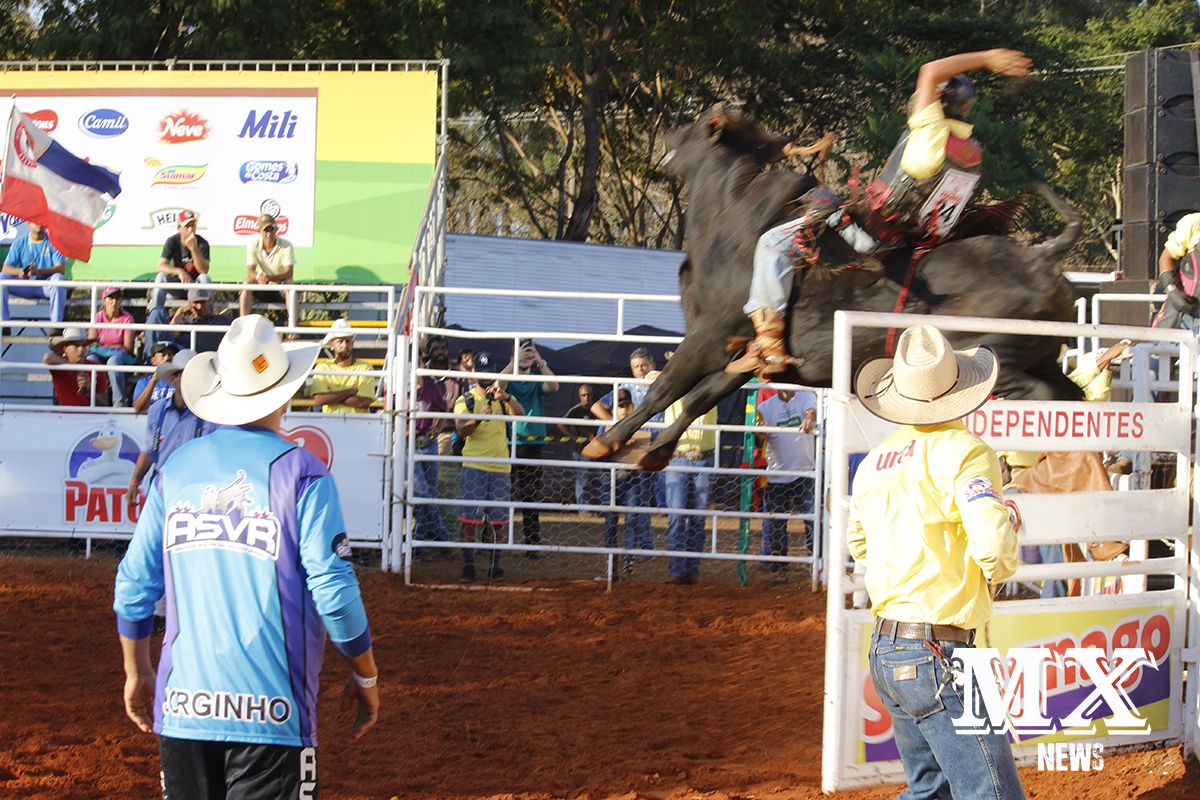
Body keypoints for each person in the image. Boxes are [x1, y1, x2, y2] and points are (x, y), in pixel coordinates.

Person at [113, 314, 380, 799]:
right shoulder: (303, 474)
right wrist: (365, 672)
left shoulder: (176, 470)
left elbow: (134, 584)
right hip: (272, 711)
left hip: (184, 706)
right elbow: (335, 593)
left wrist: (137, 669)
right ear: (283, 393)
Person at [728, 49, 1033, 378]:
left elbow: (930, 70)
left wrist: (987, 58)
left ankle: (768, 343)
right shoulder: (971, 149)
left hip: (869, 235)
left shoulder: (929, 131)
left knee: (774, 242)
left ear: (938, 101)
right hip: (910, 241)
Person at [847, 324, 1023, 799]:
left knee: (932, 790)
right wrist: (1000, 560)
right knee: (991, 792)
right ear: (961, 387)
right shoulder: (967, 452)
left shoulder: (875, 461)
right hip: (940, 650)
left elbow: (859, 544)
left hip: (889, 646)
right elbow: (993, 545)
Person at [453, 351, 525, 582]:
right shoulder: (466, 399)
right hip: (475, 464)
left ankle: (495, 564)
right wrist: (477, 418)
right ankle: (468, 565)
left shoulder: (501, 398)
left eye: (489, 372)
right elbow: (460, 430)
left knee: (498, 521)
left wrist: (507, 397)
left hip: (500, 467)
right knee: (469, 520)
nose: (486, 376)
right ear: (474, 372)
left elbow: (521, 415)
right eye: (482, 372)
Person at [590, 347, 661, 558]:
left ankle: (643, 548)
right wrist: (617, 426)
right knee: (626, 503)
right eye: (636, 366)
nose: (640, 370)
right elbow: (596, 406)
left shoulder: (662, 387)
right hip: (626, 451)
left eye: (644, 365)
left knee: (642, 501)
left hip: (651, 449)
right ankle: (625, 550)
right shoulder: (625, 388)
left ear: (652, 365)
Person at [125, 348, 210, 514]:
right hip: (163, 482)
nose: (190, 381)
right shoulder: (158, 410)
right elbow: (149, 451)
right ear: (173, 378)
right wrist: (135, 481)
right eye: (185, 375)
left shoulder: (208, 413)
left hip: (194, 484)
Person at [502, 340, 559, 554]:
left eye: (529, 352)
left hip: (533, 443)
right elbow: (498, 385)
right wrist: (514, 362)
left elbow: (554, 386)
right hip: (509, 442)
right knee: (502, 493)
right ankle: (493, 542)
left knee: (531, 495)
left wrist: (539, 360)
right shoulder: (509, 378)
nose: (526, 355)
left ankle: (532, 542)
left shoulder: (536, 379)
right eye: (523, 352)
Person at [756, 388, 818, 578]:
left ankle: (816, 565)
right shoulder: (765, 408)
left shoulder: (806, 396)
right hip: (777, 473)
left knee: (812, 520)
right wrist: (760, 435)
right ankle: (779, 568)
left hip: (804, 471)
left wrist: (809, 418)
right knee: (777, 523)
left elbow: (812, 411)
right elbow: (758, 438)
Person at [663, 401, 718, 585]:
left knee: (697, 518)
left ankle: (691, 570)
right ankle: (677, 571)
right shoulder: (676, 388)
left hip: (703, 459)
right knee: (677, 516)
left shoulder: (709, 388)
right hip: (678, 457)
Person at [413, 337, 450, 549]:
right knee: (422, 492)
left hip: (427, 441)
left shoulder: (431, 386)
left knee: (427, 492)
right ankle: (442, 537)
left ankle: (420, 541)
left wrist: (439, 426)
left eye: (419, 361)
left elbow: (443, 408)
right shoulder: (400, 386)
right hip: (409, 443)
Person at [1, 221, 67, 325]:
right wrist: (20, 271)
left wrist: (38, 271)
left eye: (42, 220)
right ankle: (4, 325)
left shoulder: (54, 242)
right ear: (28, 221)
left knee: (58, 279)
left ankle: (56, 326)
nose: (39, 223)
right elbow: (6, 268)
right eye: (36, 220)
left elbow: (61, 268)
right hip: (26, 285)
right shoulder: (20, 242)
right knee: (2, 278)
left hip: (46, 286)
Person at [306, 319, 378, 413]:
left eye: (348, 341)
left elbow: (364, 402)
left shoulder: (365, 367)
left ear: (352, 343)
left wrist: (331, 397)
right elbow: (319, 399)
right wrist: (349, 392)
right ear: (331, 344)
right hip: (332, 420)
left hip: (357, 421)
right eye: (340, 341)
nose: (345, 345)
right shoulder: (322, 367)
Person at [151, 209, 211, 311]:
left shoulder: (202, 243)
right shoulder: (172, 241)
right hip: (178, 286)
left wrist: (194, 249)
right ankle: (155, 315)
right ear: (179, 228)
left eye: (193, 225)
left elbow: (204, 270)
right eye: (187, 226)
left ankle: (209, 316)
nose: (191, 229)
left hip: (196, 288)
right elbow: (160, 266)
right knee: (161, 277)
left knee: (205, 278)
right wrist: (179, 271)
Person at [241, 213, 297, 321]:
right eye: (265, 230)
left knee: (289, 284)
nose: (269, 233)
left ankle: (293, 325)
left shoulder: (286, 245)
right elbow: (250, 271)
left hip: (280, 287)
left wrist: (269, 278)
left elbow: (289, 273)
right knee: (247, 283)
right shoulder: (253, 245)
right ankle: (243, 324)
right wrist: (259, 277)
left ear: (276, 229)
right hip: (261, 287)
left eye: (271, 229)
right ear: (259, 231)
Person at [146, 287, 233, 354]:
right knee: (157, 312)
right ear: (189, 304)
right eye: (196, 302)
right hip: (185, 360)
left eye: (203, 302)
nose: (199, 306)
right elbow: (172, 335)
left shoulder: (221, 320)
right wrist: (180, 312)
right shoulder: (183, 321)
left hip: (212, 360)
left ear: (209, 301)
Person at [88, 287, 136, 407]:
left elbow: (128, 348)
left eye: (117, 298)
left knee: (113, 362)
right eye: (111, 298)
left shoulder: (127, 319)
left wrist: (103, 345)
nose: (114, 302)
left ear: (121, 300)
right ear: (104, 300)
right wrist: (114, 346)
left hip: (119, 357)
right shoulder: (97, 317)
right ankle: (93, 402)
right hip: (100, 355)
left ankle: (119, 404)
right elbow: (91, 342)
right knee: (91, 360)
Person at [1153, 212, 1200, 330]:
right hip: (1185, 313)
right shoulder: (1193, 223)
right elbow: (1167, 257)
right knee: (1159, 341)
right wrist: (1171, 290)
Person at [557, 384, 602, 507]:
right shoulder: (576, 410)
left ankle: (604, 507)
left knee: (601, 479)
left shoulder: (599, 408)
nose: (586, 397)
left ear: (592, 395)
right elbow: (560, 425)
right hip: (581, 450)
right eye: (583, 395)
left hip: (599, 450)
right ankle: (583, 508)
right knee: (583, 479)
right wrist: (574, 437)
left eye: (589, 395)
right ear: (579, 396)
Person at [43, 328, 108, 406]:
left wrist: (90, 391)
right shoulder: (59, 366)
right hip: (67, 413)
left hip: (89, 414)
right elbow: (47, 358)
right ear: (65, 349)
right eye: (76, 345)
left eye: (84, 345)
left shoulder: (97, 368)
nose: (81, 349)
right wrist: (74, 368)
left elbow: (104, 404)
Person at [131, 341, 180, 413]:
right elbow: (138, 408)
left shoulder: (181, 381)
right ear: (153, 360)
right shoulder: (144, 382)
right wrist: (153, 381)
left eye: (170, 354)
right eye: (163, 355)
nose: (167, 358)